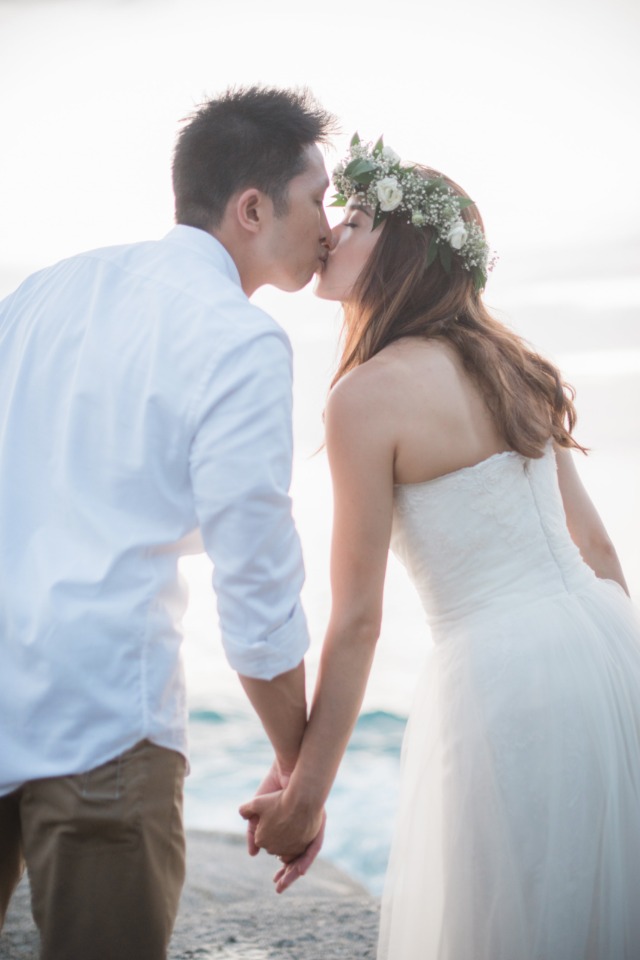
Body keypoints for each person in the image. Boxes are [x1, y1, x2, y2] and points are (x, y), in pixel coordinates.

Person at [240, 135, 640, 958]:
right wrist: (615, 670)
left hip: (501, 676)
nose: (333, 235)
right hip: (602, 643)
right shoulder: (512, 363)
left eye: (354, 220)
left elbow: (356, 622)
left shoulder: (364, 397)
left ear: (405, 252)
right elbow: (598, 547)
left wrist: (304, 797)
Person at [0, 85, 335, 960]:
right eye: (318, 198)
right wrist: (300, 777)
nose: (330, 225)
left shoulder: (44, 292)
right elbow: (255, 578)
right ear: (252, 207)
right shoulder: (237, 339)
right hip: (102, 725)